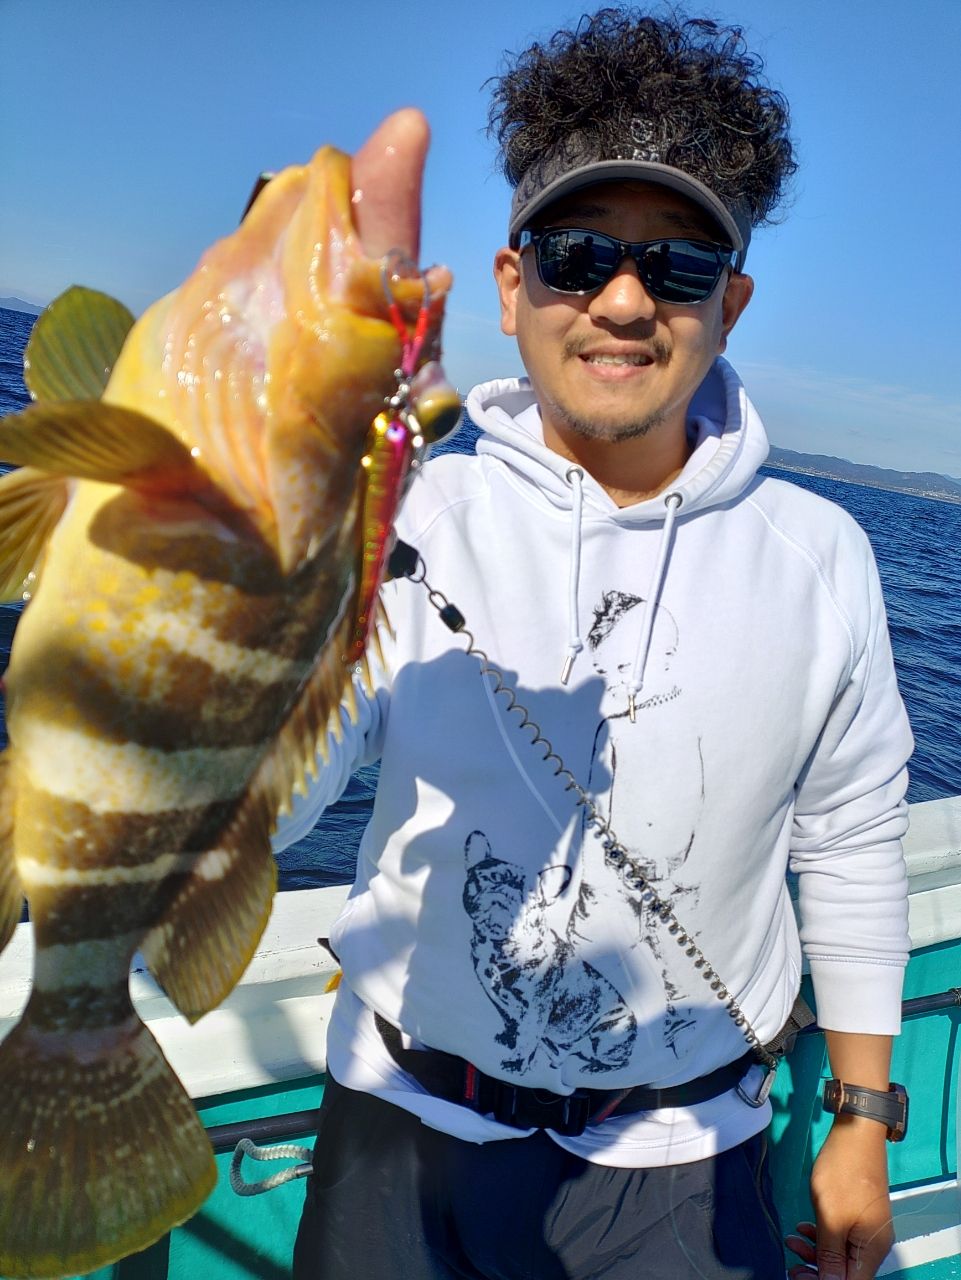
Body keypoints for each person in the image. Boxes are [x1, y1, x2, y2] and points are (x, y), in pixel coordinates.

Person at [279, 9, 913, 1279]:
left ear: (730, 302)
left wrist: (858, 1118)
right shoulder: (409, 513)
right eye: (577, 255)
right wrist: (256, 587)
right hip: (396, 1122)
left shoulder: (821, 555)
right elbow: (285, 806)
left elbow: (849, 837)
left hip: (680, 1157)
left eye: (676, 266)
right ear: (512, 284)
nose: (623, 301)